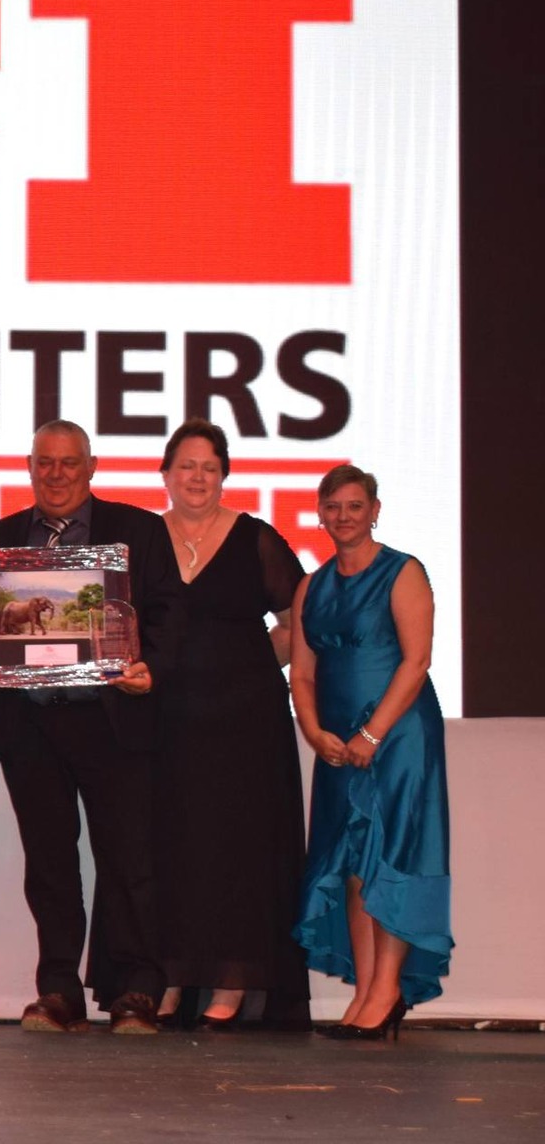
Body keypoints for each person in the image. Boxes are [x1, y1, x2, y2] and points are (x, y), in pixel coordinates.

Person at [0, 419, 181, 1035]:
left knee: (128, 861)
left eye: (69, 463)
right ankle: (57, 990)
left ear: (91, 467)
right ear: (30, 468)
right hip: (31, 727)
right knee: (49, 867)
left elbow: (170, 615)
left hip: (113, 722)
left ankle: (136, 990)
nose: (56, 475)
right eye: (45, 463)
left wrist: (152, 669)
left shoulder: (138, 531)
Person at [151, 420, 311, 1030]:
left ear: (224, 476)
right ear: (165, 474)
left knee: (239, 851)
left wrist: (247, 665)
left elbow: (299, 619)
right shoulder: (143, 540)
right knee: (169, 848)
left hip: (246, 724)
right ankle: (168, 976)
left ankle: (231, 982)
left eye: (209, 467)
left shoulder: (256, 538)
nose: (197, 477)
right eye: (186, 466)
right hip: (164, 723)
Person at [289, 465, 451, 1040]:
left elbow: (417, 660)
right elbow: (301, 673)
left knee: (395, 855)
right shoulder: (311, 586)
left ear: (374, 510)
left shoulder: (402, 571)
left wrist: (373, 734)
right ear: (320, 513)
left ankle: (387, 992)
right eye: (333, 506)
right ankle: (366, 992)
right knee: (351, 863)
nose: (344, 516)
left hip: (399, 737)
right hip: (338, 742)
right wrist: (315, 732)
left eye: (355, 505)